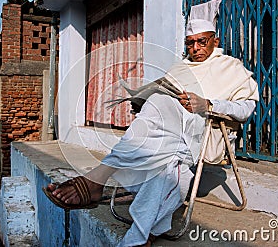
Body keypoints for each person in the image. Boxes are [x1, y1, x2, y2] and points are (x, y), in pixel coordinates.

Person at [44, 18, 259, 246]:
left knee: (161, 130)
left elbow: (246, 108)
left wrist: (208, 104)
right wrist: (142, 101)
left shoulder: (231, 67)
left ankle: (96, 180)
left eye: (201, 42)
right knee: (166, 152)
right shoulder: (181, 68)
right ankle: (141, 237)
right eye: (190, 43)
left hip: (206, 134)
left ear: (214, 41)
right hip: (169, 134)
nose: (195, 48)